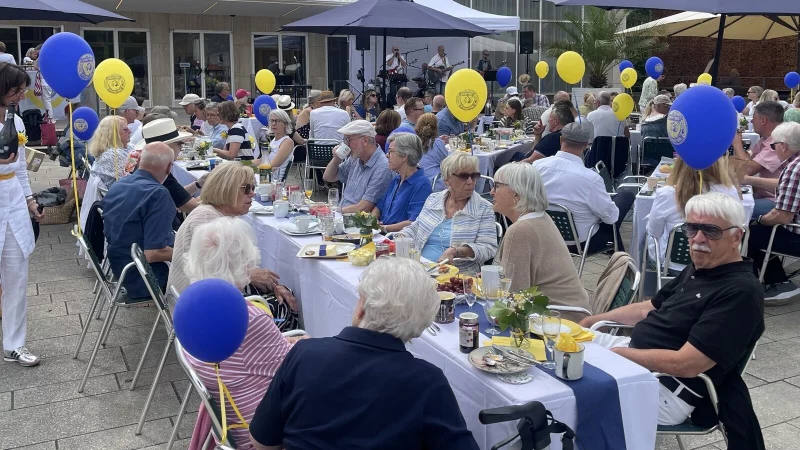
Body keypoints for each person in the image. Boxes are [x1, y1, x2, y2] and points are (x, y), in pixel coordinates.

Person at [580, 193, 765, 449]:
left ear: (737, 236)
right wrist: (594, 320)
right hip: (634, 353)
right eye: (692, 228)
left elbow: (688, 364)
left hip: (665, 388)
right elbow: (648, 308)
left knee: (572, 386)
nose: (698, 239)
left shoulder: (739, 293)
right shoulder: (699, 268)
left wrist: (620, 355)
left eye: (711, 231)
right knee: (561, 341)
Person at [248, 257, 478, 450]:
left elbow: (262, 443)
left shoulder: (304, 354)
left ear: (361, 307)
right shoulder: (428, 382)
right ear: (420, 325)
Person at [182, 217, 305, 450]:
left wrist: (286, 342)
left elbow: (256, 355)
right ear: (244, 262)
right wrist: (304, 344)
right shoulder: (250, 319)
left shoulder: (192, 305)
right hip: (258, 431)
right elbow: (291, 367)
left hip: (228, 416)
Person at [169, 162, 296, 316]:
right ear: (226, 190)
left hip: (196, 299)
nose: (252, 194)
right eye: (246, 189)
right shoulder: (209, 219)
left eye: (253, 188)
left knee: (280, 292)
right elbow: (216, 279)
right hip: (198, 312)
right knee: (284, 305)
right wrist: (251, 275)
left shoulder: (211, 213)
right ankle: (285, 338)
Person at [492, 163, 592, 322]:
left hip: (558, 319)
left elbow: (513, 299)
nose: (491, 192)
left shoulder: (521, 229)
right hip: (573, 312)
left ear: (516, 194)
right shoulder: (540, 217)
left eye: (496, 186)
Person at [534, 121, 635, 253]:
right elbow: (611, 217)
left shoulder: (537, 166)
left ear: (560, 140)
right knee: (625, 197)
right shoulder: (590, 178)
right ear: (586, 145)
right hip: (580, 244)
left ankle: (620, 256)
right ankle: (620, 257)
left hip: (544, 236)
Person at [0, 62, 43, 366]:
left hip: (13, 204)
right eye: (15, 89)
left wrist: (30, 201)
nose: (20, 95)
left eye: (22, 89)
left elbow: (20, 170)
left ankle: (14, 344)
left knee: (17, 277)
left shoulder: (15, 122)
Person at [398, 153, 497, 274]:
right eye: (463, 176)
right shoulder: (433, 199)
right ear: (447, 180)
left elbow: (488, 248)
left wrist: (456, 251)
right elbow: (416, 227)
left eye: (474, 176)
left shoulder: (483, 208)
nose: (470, 182)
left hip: (458, 276)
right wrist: (400, 237)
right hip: (420, 267)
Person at [101, 143, 176, 300]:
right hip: (144, 276)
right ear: (169, 168)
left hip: (119, 266)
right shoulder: (158, 194)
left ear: (140, 160)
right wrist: (188, 253)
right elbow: (153, 253)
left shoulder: (118, 185)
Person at [647, 158, 738, 275]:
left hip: (674, 266)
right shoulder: (730, 192)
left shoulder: (666, 194)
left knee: (647, 238)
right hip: (717, 264)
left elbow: (654, 233)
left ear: (679, 164)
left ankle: (648, 288)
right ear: (718, 164)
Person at [747, 121, 800, 304]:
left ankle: (776, 282)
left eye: (773, 145)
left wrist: (760, 220)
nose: (773, 148)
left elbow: (782, 216)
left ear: (783, 146)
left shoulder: (794, 168)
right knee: (758, 226)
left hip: (797, 235)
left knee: (750, 231)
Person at [135, 118, 200, 217]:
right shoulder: (160, 171)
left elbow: (179, 196)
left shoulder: (146, 165)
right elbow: (192, 207)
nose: (181, 147)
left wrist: (199, 184)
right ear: (165, 147)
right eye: (179, 143)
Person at [323, 120, 392, 213]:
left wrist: (332, 212)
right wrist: (337, 159)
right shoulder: (356, 158)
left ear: (365, 140)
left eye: (348, 140)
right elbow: (329, 177)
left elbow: (364, 207)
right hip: (342, 213)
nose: (346, 145)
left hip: (355, 220)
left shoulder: (382, 167)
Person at [372, 133, 432, 233]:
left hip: (399, 240)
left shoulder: (422, 184)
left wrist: (384, 229)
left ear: (404, 156)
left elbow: (413, 222)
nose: (387, 155)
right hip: (381, 235)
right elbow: (378, 208)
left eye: (390, 151)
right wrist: (372, 222)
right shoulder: (396, 180)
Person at [731, 101, 785, 208]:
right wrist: (740, 144)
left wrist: (737, 144)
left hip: (775, 201)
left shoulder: (778, 143)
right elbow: (747, 161)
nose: (751, 121)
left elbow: (748, 170)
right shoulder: (764, 140)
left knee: (731, 210)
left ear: (763, 120)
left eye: (754, 118)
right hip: (762, 195)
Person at [89, 116, 133, 187]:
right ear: (113, 134)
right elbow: (130, 180)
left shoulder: (127, 146)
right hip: (121, 194)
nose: (130, 131)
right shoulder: (112, 154)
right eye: (125, 129)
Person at [416, 113, 449, 191]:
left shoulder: (414, 140)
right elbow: (446, 164)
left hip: (418, 182)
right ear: (436, 127)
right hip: (434, 183)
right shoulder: (436, 143)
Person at [264, 109, 294, 181]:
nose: (274, 124)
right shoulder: (274, 141)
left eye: (277, 121)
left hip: (274, 181)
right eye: (272, 121)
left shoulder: (287, 142)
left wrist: (253, 169)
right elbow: (262, 160)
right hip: (266, 176)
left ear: (285, 124)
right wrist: (245, 163)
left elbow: (273, 165)